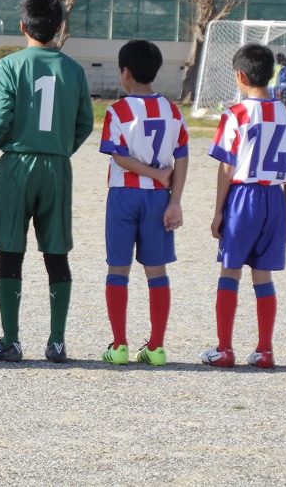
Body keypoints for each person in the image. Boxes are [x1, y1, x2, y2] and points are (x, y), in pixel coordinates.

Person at [0, 0, 92, 363]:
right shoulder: (74, 69)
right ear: (60, 26)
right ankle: (57, 340)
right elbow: (85, 124)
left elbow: (0, 119)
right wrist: (59, 148)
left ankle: (11, 340)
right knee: (56, 252)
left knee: (11, 251)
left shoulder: (9, 66)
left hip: (17, 165)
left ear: (22, 26)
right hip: (57, 166)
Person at [201, 44, 286, 369]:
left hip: (243, 197)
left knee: (230, 271)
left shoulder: (235, 114)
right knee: (263, 276)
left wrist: (219, 211)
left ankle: (225, 349)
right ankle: (264, 350)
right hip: (274, 198)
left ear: (240, 76)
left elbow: (227, 167)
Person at [98, 40, 188, 367]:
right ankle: (157, 347)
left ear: (126, 73)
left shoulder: (117, 111)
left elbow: (119, 157)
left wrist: (150, 172)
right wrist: (175, 200)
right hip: (158, 199)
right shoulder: (173, 111)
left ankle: (120, 345)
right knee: (157, 271)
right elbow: (182, 158)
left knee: (117, 268)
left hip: (124, 195)